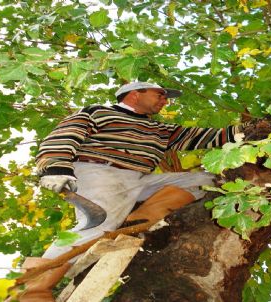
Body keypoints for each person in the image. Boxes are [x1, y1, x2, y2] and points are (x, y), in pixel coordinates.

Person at [20, 82, 248, 301]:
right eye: (159, 94)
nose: (164, 101)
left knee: (206, 181)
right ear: (134, 94)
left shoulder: (159, 129)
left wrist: (248, 132)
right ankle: (35, 290)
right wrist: (55, 166)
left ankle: (135, 222)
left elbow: (204, 136)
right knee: (100, 223)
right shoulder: (99, 112)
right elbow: (66, 134)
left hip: (138, 179)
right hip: (99, 171)